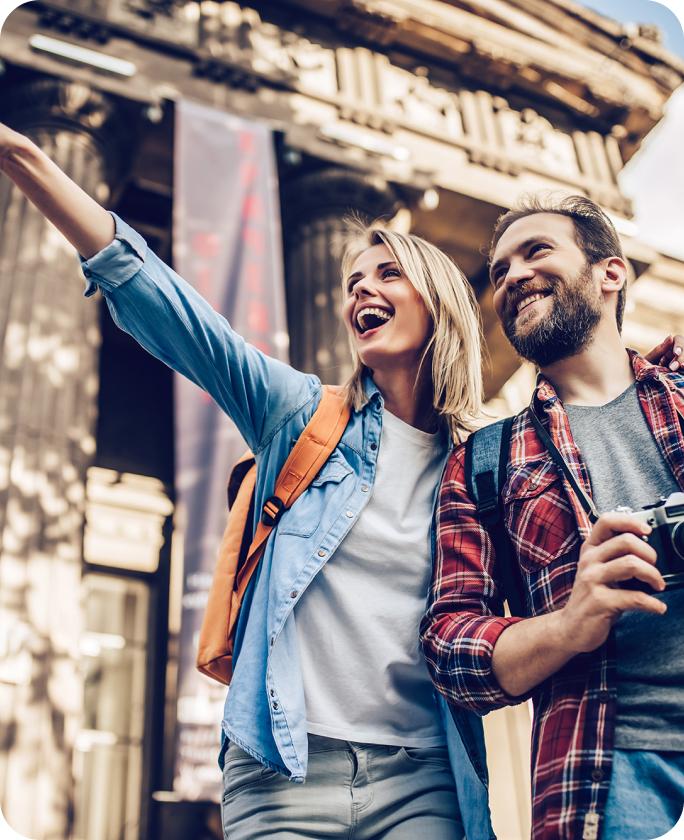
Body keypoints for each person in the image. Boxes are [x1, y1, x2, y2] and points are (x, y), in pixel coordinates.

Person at [0, 121, 492, 840]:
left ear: (440, 299)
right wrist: (26, 157)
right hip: (284, 773)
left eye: (388, 274)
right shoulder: (301, 416)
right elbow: (174, 311)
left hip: (422, 776)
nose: (362, 291)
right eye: (353, 282)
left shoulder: (486, 464)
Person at [420, 194, 684, 840]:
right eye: (501, 270)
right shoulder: (483, 463)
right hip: (609, 776)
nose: (511, 277)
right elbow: (449, 646)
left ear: (610, 273)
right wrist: (571, 623)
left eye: (536, 251)